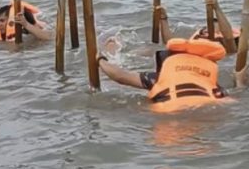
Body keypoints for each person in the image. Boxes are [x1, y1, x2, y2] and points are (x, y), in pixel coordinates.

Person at [97, 36, 246, 113]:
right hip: (210, 113)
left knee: (137, 106)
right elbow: (233, 99)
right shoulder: (209, 82)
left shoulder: (159, 77)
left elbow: (119, 76)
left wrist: (100, 60)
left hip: (168, 115)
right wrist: (239, 81)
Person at [157, 0, 239, 54]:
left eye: (216, 23)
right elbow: (171, 43)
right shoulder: (199, 38)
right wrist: (163, 19)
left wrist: (216, 7)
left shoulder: (228, 47)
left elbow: (228, 38)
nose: (210, 27)